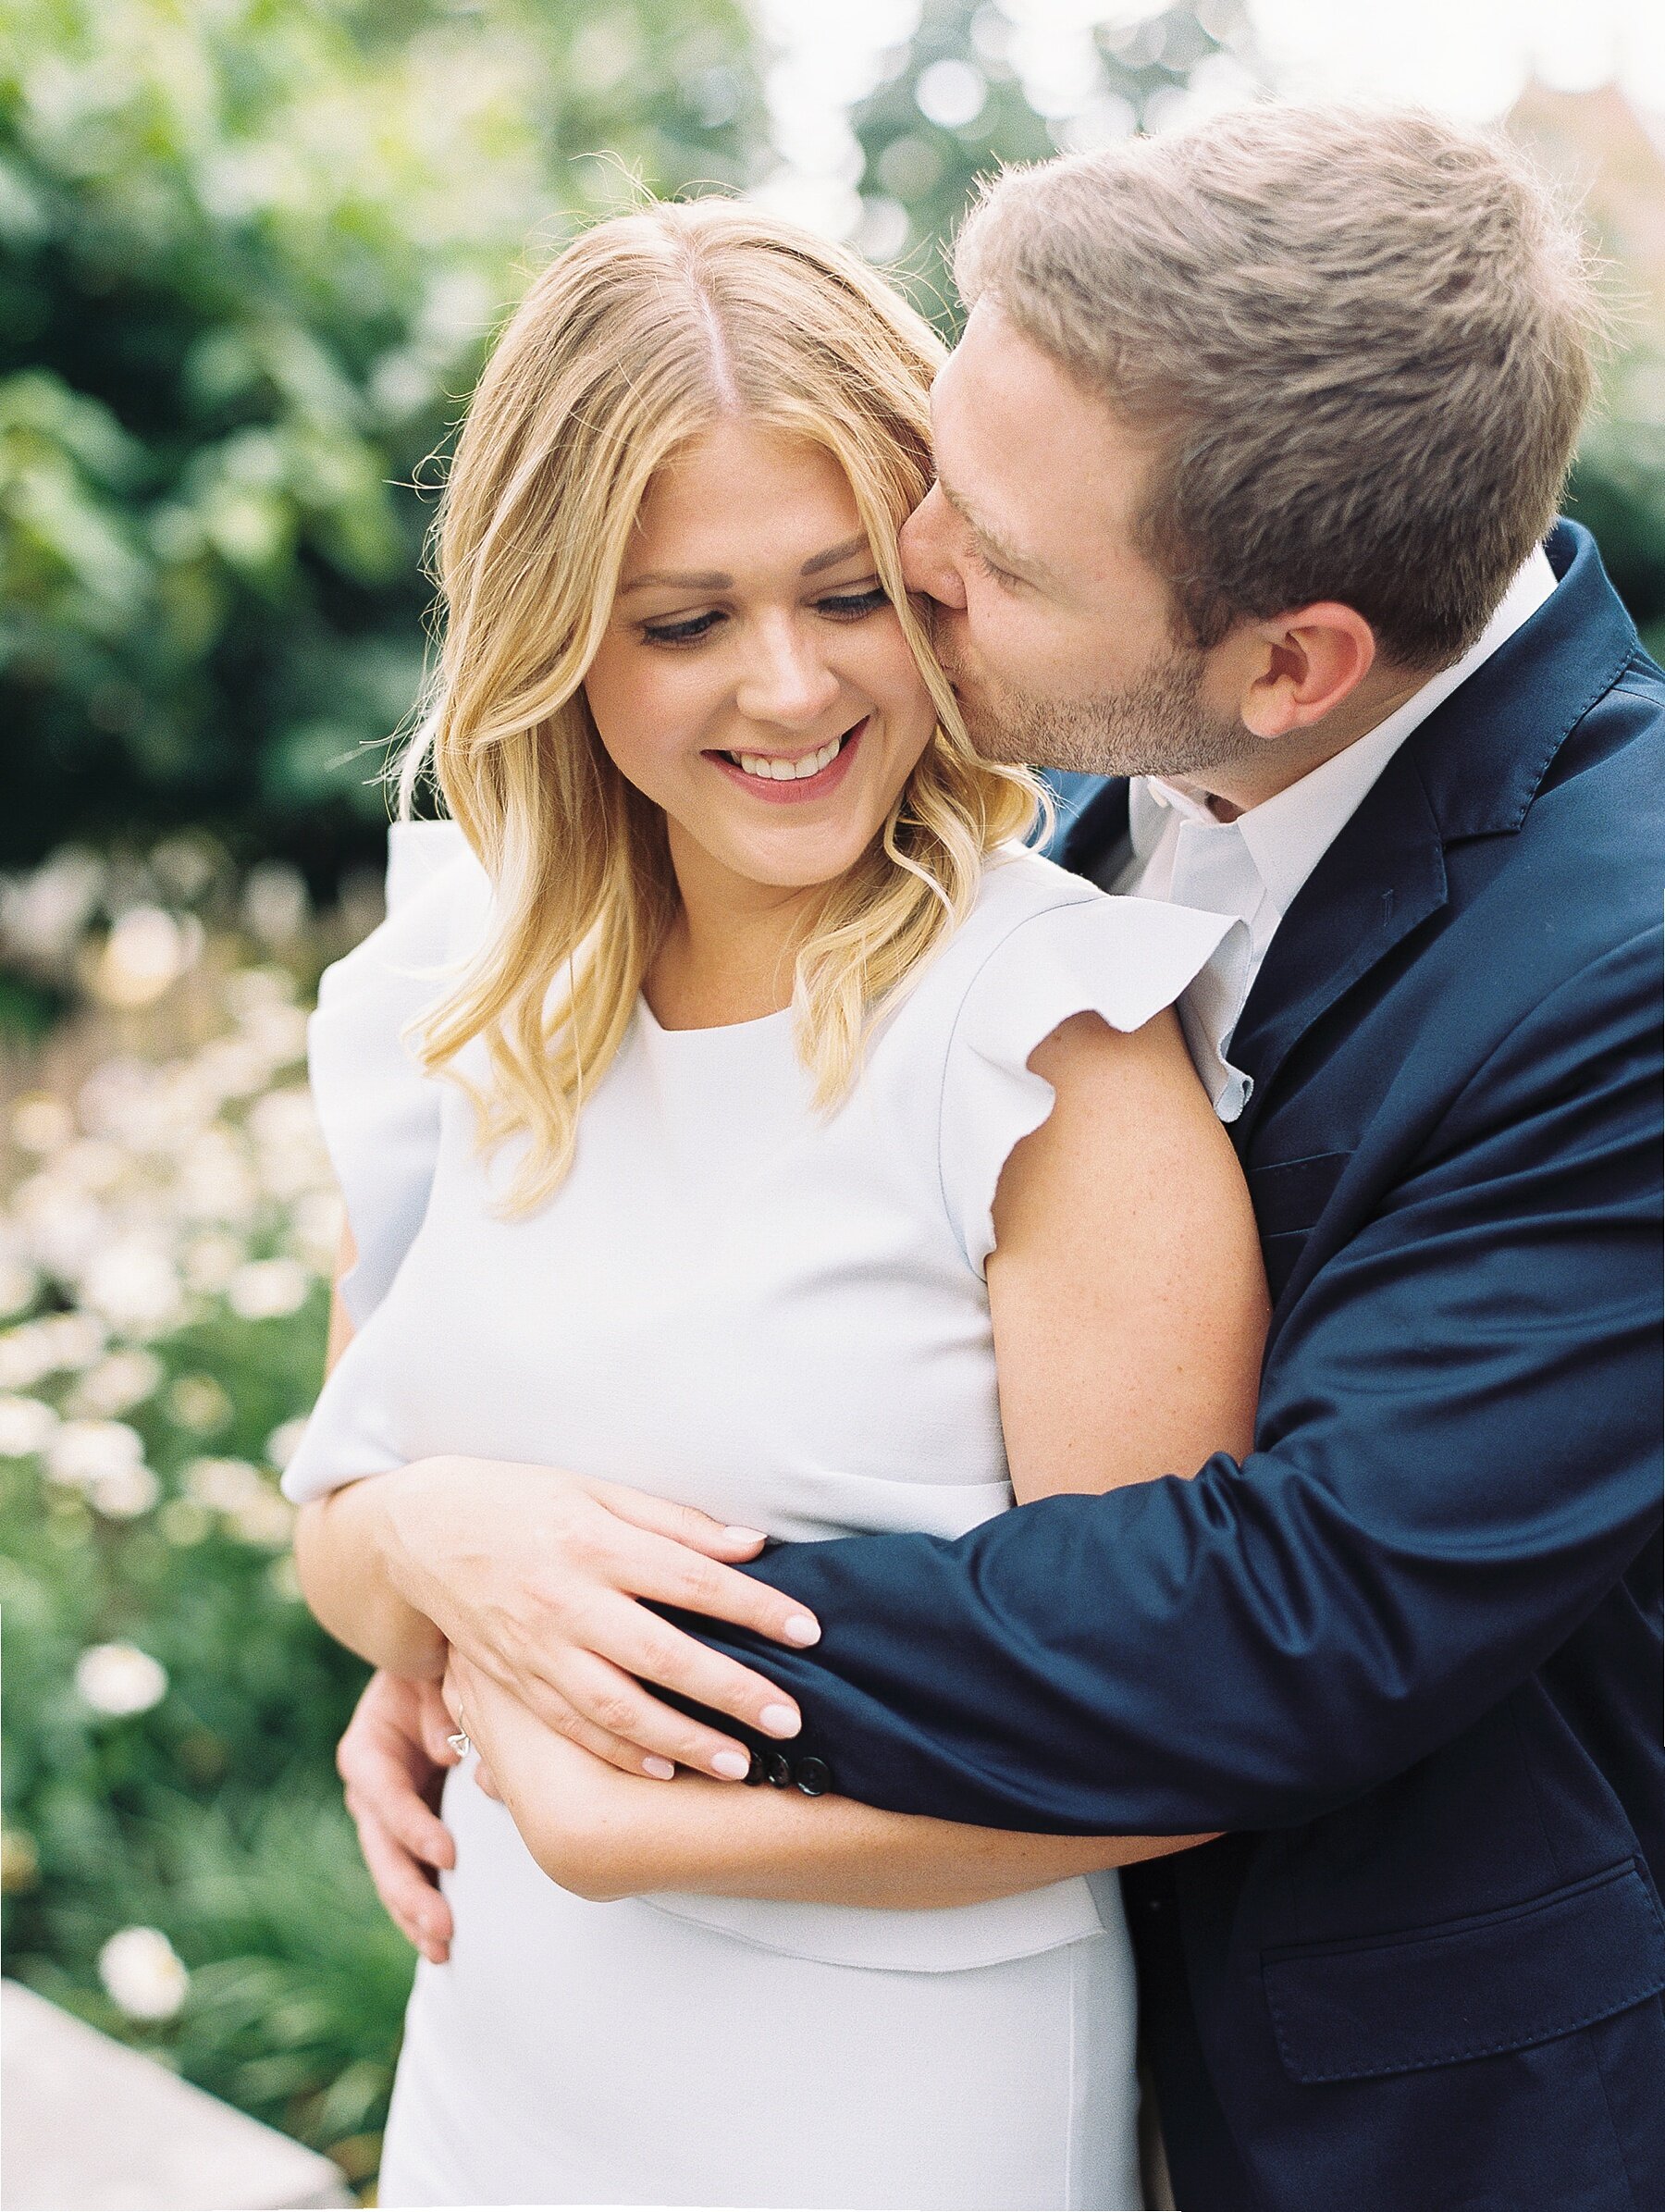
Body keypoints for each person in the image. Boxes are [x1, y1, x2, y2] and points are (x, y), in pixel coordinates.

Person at [339, 107, 1665, 2211]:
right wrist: (424, 1547)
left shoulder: (1625, 956)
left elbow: (1284, 1622)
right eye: (942, 462)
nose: (922, 556)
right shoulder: (1116, 784)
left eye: (968, 553)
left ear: (1289, 657)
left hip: (1421, 2110)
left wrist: (589, 1686)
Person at [281, 196, 1271, 2208]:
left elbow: (1178, 1752)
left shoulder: (1044, 1042)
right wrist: (436, 1534)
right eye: (685, 618)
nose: (791, 688)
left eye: (846, 595)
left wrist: (630, 1820)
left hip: (899, 2098)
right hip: (496, 2070)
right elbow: (340, 1530)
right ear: (554, 632)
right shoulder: (457, 982)